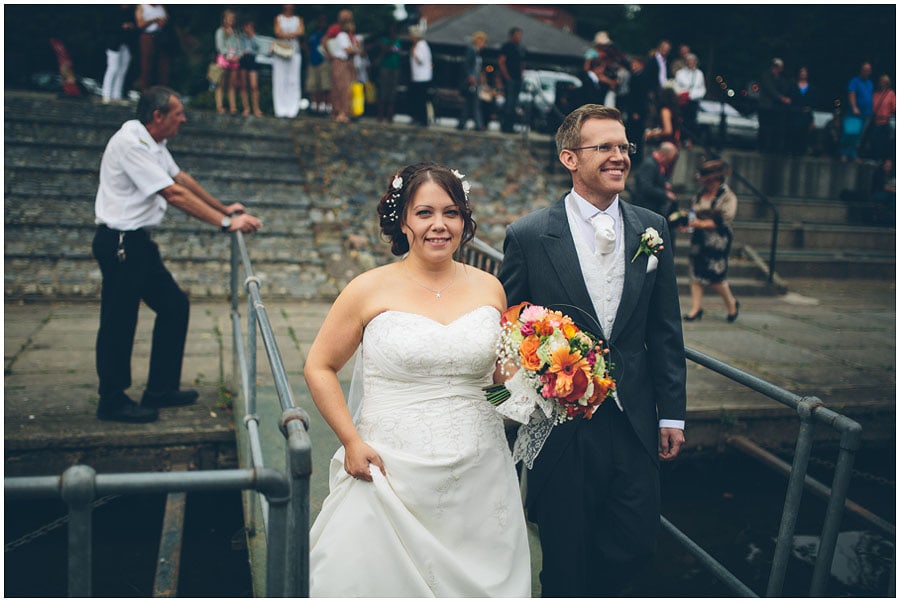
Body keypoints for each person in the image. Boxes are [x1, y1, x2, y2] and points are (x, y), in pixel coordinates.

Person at [305, 163, 531, 597]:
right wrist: (351, 441)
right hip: (388, 470)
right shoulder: (367, 289)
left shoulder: (491, 289)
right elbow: (319, 365)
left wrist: (547, 382)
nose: (439, 225)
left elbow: (501, 383)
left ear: (464, 220)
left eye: (451, 212)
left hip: (479, 473)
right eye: (425, 212)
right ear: (403, 220)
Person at [498, 104, 686, 597]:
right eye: (604, 147)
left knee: (635, 550)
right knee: (564, 560)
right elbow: (503, 334)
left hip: (635, 423)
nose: (619, 156)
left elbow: (666, 330)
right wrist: (509, 407)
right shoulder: (529, 235)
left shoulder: (653, 228)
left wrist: (673, 417)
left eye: (624, 147)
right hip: (562, 428)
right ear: (569, 158)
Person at [92, 86, 262, 423]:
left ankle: (160, 389)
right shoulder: (131, 143)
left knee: (174, 306)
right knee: (119, 321)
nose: (183, 119)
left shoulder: (154, 142)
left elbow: (181, 178)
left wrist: (223, 207)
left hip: (137, 242)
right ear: (158, 117)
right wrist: (226, 223)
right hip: (121, 243)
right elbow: (172, 194)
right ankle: (111, 400)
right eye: (177, 113)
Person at [681, 159, 740, 322]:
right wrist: (687, 223)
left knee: (715, 275)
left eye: (708, 180)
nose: (706, 184)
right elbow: (694, 213)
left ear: (716, 180)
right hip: (699, 237)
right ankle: (696, 308)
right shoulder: (700, 194)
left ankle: (732, 305)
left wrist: (700, 223)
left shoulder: (727, 196)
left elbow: (724, 220)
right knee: (695, 272)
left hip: (718, 238)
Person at [272, 4, 304, 119]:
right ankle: (280, 109)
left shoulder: (298, 19)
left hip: (294, 52)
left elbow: (301, 31)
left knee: (293, 80)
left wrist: (286, 35)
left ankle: (292, 109)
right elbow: (277, 32)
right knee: (280, 79)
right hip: (281, 52)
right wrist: (291, 35)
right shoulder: (278, 18)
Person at [326, 18, 361, 124]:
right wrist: (357, 48)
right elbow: (347, 50)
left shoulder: (347, 37)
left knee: (339, 87)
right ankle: (341, 112)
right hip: (341, 62)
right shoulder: (343, 36)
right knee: (343, 88)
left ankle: (338, 112)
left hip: (343, 63)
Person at [101, 5, 137, 105]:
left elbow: (135, 25)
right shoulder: (112, 11)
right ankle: (106, 95)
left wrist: (129, 26)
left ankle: (117, 95)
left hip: (126, 45)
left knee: (122, 70)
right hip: (113, 44)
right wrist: (122, 26)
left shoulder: (130, 12)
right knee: (113, 68)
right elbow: (107, 27)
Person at [632, 141, 679, 217]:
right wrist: (665, 194)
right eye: (668, 160)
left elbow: (655, 180)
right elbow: (646, 188)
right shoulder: (649, 165)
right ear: (663, 156)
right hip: (645, 207)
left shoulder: (656, 164)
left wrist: (664, 184)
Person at [757, 57, 792, 154]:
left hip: (775, 108)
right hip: (765, 106)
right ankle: (762, 147)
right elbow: (770, 89)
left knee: (774, 128)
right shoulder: (766, 76)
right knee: (764, 128)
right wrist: (781, 98)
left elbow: (784, 88)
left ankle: (773, 148)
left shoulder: (781, 79)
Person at [135, 4, 173, 90]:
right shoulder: (142, 6)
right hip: (148, 36)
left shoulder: (161, 7)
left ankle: (162, 90)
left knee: (163, 65)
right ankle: (145, 89)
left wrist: (162, 22)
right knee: (146, 64)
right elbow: (140, 24)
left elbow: (166, 19)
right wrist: (154, 20)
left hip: (161, 36)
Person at [673, 53, 706, 147]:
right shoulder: (680, 73)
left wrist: (692, 96)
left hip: (694, 101)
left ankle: (689, 140)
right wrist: (683, 94)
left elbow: (702, 89)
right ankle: (679, 139)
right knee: (681, 120)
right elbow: (676, 86)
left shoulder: (699, 74)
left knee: (692, 121)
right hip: (683, 101)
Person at [457, 31, 487, 131]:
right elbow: (466, 65)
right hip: (471, 82)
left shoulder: (477, 53)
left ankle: (462, 123)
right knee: (475, 103)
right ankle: (479, 125)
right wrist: (471, 77)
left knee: (468, 103)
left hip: (475, 81)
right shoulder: (472, 51)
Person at [213, 9, 241, 115]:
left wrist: (237, 56)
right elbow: (220, 47)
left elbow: (239, 46)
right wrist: (228, 56)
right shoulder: (220, 31)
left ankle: (232, 106)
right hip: (223, 60)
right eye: (228, 18)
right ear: (224, 19)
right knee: (220, 84)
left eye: (232, 18)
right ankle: (219, 106)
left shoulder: (235, 32)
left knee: (232, 85)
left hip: (234, 60)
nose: (230, 20)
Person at [845, 61, 874, 160]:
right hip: (856, 113)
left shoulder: (870, 83)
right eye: (865, 70)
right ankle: (844, 153)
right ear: (861, 70)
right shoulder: (855, 81)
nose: (866, 72)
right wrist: (854, 107)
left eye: (868, 70)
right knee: (851, 133)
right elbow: (851, 94)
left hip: (867, 113)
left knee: (860, 136)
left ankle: (854, 154)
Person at [373, 23, 402, 123]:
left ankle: (390, 116)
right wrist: (391, 41)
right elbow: (387, 50)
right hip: (385, 68)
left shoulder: (398, 41)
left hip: (395, 68)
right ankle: (380, 115)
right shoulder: (383, 40)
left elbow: (398, 51)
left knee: (392, 93)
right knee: (383, 92)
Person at [498, 27, 525, 133]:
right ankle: (505, 126)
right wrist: (507, 76)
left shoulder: (520, 48)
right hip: (510, 78)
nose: (519, 37)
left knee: (514, 103)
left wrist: (522, 74)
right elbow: (501, 62)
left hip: (517, 78)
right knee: (509, 103)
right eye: (517, 34)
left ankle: (510, 126)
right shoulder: (506, 47)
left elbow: (522, 63)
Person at [237, 15, 264, 118]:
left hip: (252, 60)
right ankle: (246, 108)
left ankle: (256, 108)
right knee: (243, 85)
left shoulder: (255, 37)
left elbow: (259, 48)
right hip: (243, 60)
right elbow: (238, 48)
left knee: (254, 85)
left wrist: (252, 36)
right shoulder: (240, 37)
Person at [305, 14, 332, 116]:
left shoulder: (327, 35)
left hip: (323, 61)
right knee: (312, 86)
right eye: (320, 21)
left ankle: (326, 107)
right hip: (313, 62)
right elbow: (307, 46)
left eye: (323, 21)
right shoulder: (313, 35)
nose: (321, 24)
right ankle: (315, 106)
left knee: (325, 86)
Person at [787, 66, 816, 156]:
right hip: (795, 113)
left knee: (804, 133)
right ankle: (792, 150)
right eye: (801, 72)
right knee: (794, 132)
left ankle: (801, 151)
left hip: (806, 114)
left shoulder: (811, 88)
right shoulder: (793, 86)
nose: (803, 74)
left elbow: (813, 102)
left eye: (805, 72)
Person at [407, 26, 432, 127]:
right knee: (417, 99)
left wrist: (413, 52)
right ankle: (418, 118)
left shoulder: (421, 45)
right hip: (418, 76)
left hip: (422, 77)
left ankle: (422, 120)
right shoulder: (420, 45)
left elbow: (420, 60)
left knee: (420, 99)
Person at [869, 74, 896, 162]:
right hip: (875, 121)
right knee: (873, 140)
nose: (882, 84)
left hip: (885, 122)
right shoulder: (875, 94)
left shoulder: (891, 94)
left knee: (883, 142)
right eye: (881, 81)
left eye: (885, 82)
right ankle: (873, 158)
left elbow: (895, 107)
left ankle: (881, 159)